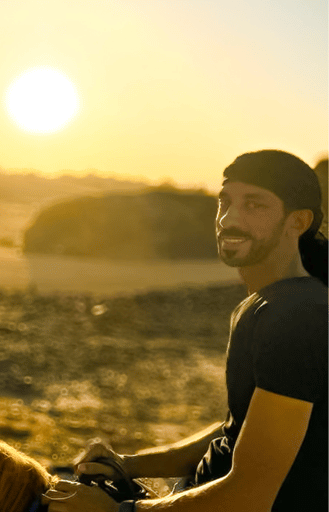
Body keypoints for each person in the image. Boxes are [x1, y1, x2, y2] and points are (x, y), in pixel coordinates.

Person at [42, 150, 328, 511]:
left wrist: (117, 511)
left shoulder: (297, 316)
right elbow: (238, 430)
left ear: (297, 221)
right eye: (225, 201)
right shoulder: (271, 304)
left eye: (254, 205)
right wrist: (129, 464)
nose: (229, 219)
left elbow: (250, 497)